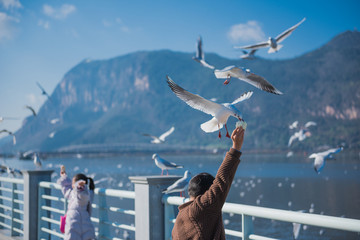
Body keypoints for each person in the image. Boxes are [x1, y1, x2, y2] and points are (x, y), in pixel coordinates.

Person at [172, 126, 245, 240]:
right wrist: (236, 148)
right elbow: (222, 180)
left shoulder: (181, 216)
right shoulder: (203, 207)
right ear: (207, 193)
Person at [57, 165, 96, 240]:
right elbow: (66, 187)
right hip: (75, 226)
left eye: (73, 183)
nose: (72, 186)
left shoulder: (83, 195)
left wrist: (80, 187)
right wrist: (64, 176)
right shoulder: (72, 193)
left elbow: (81, 197)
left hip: (78, 228)